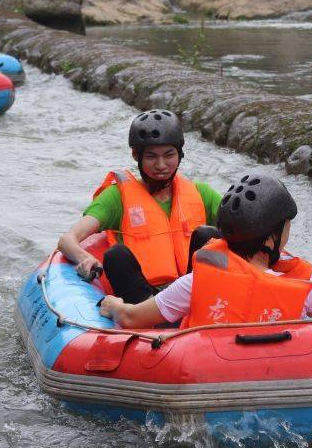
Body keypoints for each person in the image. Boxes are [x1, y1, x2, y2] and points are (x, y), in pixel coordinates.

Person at [98, 173, 312, 328]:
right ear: (270, 239)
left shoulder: (195, 283)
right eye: (286, 227)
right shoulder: (303, 290)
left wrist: (114, 305)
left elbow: (131, 318)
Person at [58, 110, 223, 303]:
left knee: (207, 234)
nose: (161, 165)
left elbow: (245, 231)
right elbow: (67, 240)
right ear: (137, 155)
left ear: (180, 153)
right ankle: (151, 316)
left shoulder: (201, 193)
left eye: (169, 155)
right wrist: (84, 258)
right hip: (143, 299)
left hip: (193, 292)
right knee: (116, 255)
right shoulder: (116, 197)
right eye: (151, 157)